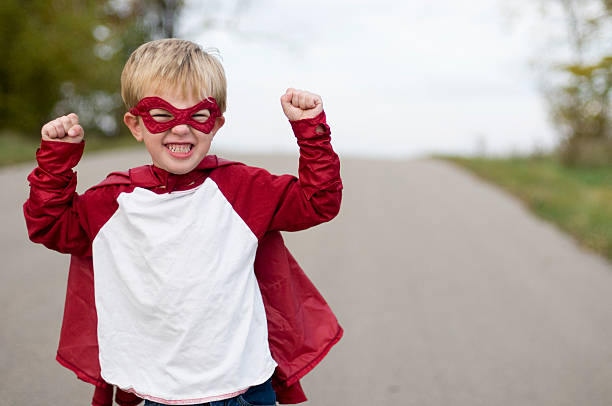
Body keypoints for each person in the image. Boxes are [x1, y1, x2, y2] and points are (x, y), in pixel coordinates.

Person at [23, 38, 343, 406]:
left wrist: (312, 133)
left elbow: (319, 201)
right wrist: (56, 163)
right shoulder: (112, 202)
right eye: (161, 115)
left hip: (245, 386)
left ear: (216, 123)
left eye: (198, 115)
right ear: (136, 124)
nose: (180, 129)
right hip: (157, 391)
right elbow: (49, 225)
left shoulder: (245, 190)